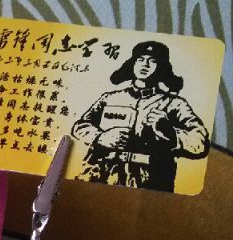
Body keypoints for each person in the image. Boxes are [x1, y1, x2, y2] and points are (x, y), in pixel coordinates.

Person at [71, 41, 209, 191]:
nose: (145, 64)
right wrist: (100, 137)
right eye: (140, 59)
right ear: (133, 63)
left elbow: (200, 143)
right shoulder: (109, 98)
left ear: (162, 67)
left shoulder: (174, 104)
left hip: (150, 178)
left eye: (152, 61)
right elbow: (80, 126)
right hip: (101, 172)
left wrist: (170, 131)